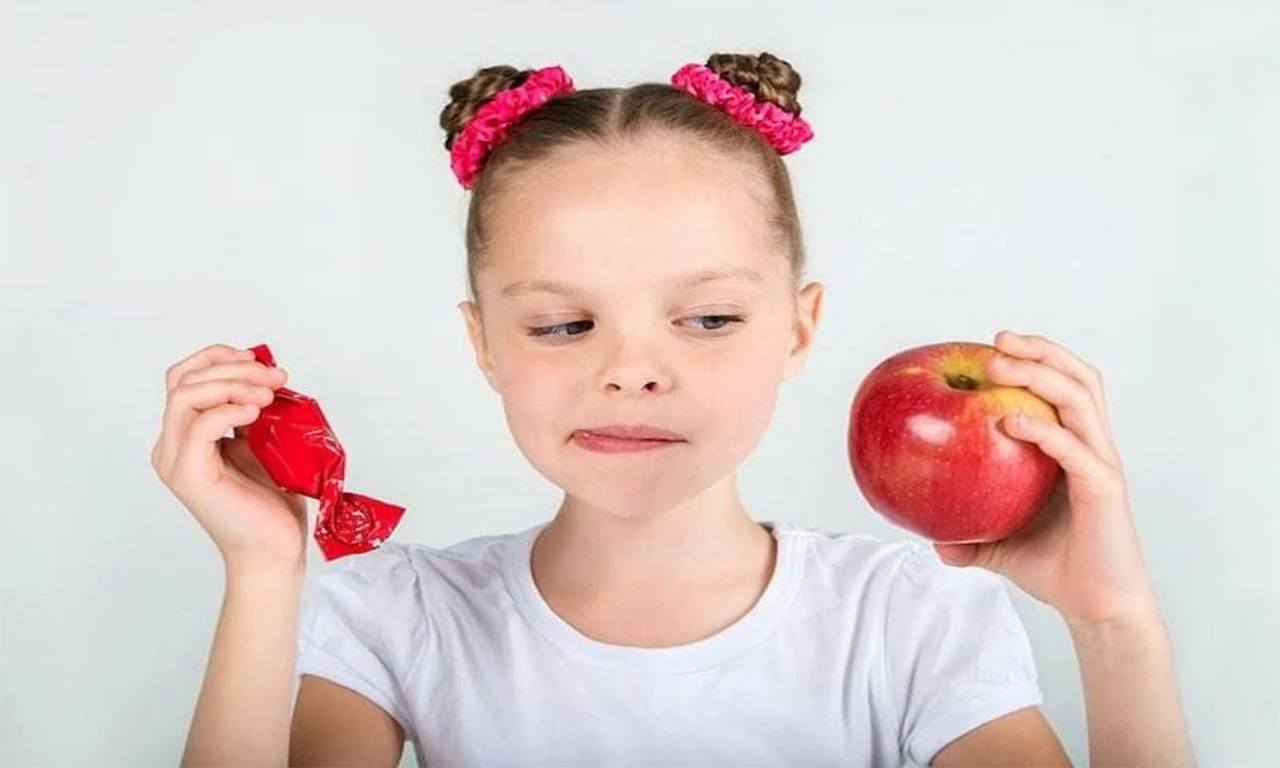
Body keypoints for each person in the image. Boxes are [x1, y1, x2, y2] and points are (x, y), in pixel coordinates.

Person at [152, 52, 1195, 767]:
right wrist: (262, 570)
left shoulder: (910, 614)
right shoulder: (392, 616)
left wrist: (1115, 625)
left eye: (704, 319)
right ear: (482, 345)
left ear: (796, 326)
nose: (632, 372)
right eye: (564, 326)